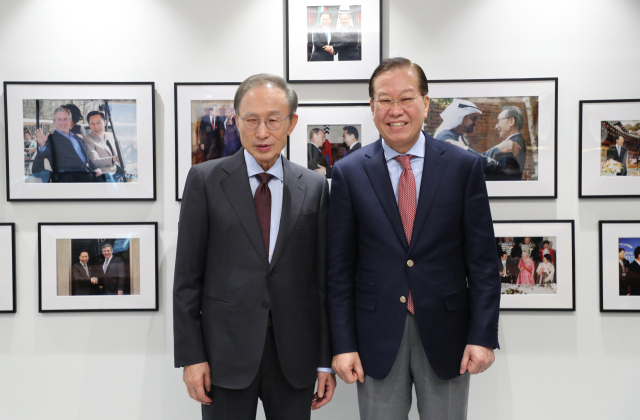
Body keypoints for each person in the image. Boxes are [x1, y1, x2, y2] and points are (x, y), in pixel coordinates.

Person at [327, 57, 500, 420]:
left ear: (425, 103)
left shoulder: (462, 167)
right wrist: (342, 344)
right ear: (372, 107)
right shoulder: (348, 173)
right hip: (375, 336)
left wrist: (483, 335)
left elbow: (483, 262)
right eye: (384, 100)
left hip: (448, 333)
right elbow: (338, 271)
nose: (395, 110)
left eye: (405, 98)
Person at [173, 73, 336, 420]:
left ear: (291, 122)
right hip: (224, 357)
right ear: (236, 121)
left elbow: (322, 284)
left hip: (295, 356)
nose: (263, 132)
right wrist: (191, 357)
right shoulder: (204, 181)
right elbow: (187, 279)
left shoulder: (315, 186)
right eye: (252, 120)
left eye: (273, 120)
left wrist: (325, 361)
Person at [434, 99, 522, 174]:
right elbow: (474, 162)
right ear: (461, 116)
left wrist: (497, 148)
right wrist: (497, 149)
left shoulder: (456, 136)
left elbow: (474, 158)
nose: (475, 123)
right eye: (473, 118)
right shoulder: (446, 138)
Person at [34, 106, 97, 183]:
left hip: (88, 180)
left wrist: (96, 169)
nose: (63, 122)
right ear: (54, 122)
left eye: (65, 119)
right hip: (67, 184)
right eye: (59, 119)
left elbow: (84, 160)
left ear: (70, 121)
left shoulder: (77, 138)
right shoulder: (50, 139)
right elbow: (36, 168)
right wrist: (42, 146)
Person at [484, 106, 527, 181]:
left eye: (498, 121)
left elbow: (483, 166)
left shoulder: (512, 145)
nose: (496, 126)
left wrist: (496, 149)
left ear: (511, 121)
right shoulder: (517, 141)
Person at [83, 111, 125, 182]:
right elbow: (94, 161)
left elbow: (123, 151)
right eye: (92, 124)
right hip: (106, 176)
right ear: (89, 125)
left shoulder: (111, 135)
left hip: (121, 173)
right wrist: (113, 159)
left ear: (105, 123)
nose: (96, 127)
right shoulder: (88, 139)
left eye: (98, 123)